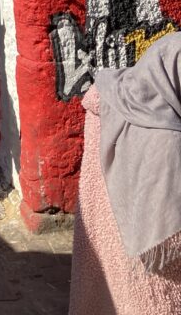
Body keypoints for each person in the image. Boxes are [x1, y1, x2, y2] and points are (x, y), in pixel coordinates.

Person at [69, 32, 181, 314]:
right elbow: (169, 241)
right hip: (148, 280)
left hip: (106, 265)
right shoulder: (165, 146)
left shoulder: (112, 95)